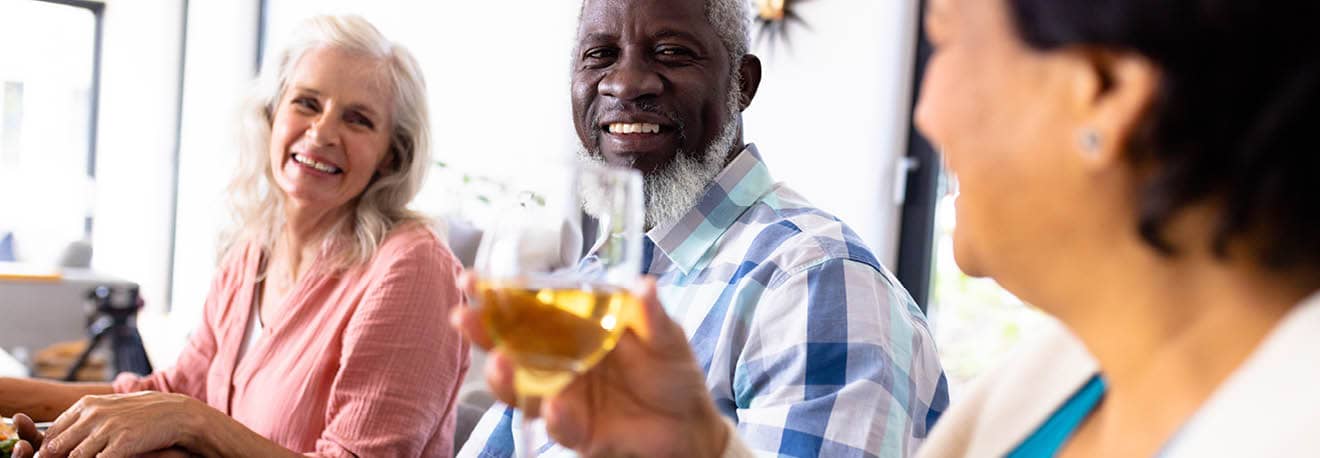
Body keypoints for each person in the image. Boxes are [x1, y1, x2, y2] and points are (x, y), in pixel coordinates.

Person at [456, 0, 1320, 455]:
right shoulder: (1039, 388)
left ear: (1103, 91)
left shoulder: (1288, 427)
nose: (928, 114)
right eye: (599, 56)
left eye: (945, 44)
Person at [458, 0, 947, 456]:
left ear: (743, 83)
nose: (625, 83)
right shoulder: (591, 283)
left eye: (671, 52)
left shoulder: (815, 279)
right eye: (600, 55)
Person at [0, 15, 469, 457]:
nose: (322, 131)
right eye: (306, 103)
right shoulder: (254, 249)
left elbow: (184, 410)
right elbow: (174, 391)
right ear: (271, 116)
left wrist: (193, 421)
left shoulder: (413, 265)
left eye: (358, 119)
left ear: (391, 155)